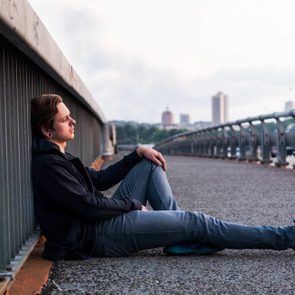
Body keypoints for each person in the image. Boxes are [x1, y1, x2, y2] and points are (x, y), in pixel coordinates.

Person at [31, 94, 295, 261]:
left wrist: (137, 153)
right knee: (195, 221)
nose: (73, 122)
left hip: (99, 222)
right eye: (65, 120)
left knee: (149, 163)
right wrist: (133, 205)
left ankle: (179, 239)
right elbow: (87, 207)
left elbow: (100, 180)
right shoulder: (50, 166)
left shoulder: (60, 158)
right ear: (47, 130)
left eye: (71, 116)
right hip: (96, 235)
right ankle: (283, 237)